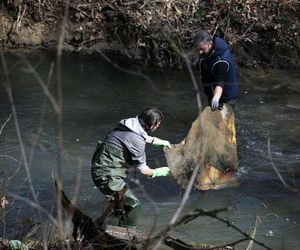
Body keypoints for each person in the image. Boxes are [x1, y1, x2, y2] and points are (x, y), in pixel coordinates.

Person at [91, 107, 171, 229]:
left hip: (100, 165)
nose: (158, 126)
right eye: (158, 124)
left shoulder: (128, 124)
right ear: (153, 124)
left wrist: (159, 141)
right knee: (134, 206)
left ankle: (106, 224)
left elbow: (138, 137)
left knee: (121, 203)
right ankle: (125, 237)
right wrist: (161, 172)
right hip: (106, 174)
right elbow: (144, 171)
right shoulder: (137, 142)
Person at [193, 30, 239, 110]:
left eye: (202, 49)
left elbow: (220, 82)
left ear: (210, 44)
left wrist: (215, 98)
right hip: (212, 92)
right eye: (198, 49)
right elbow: (203, 64)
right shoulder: (206, 51)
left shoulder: (221, 61)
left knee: (223, 121)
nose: (200, 52)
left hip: (226, 97)